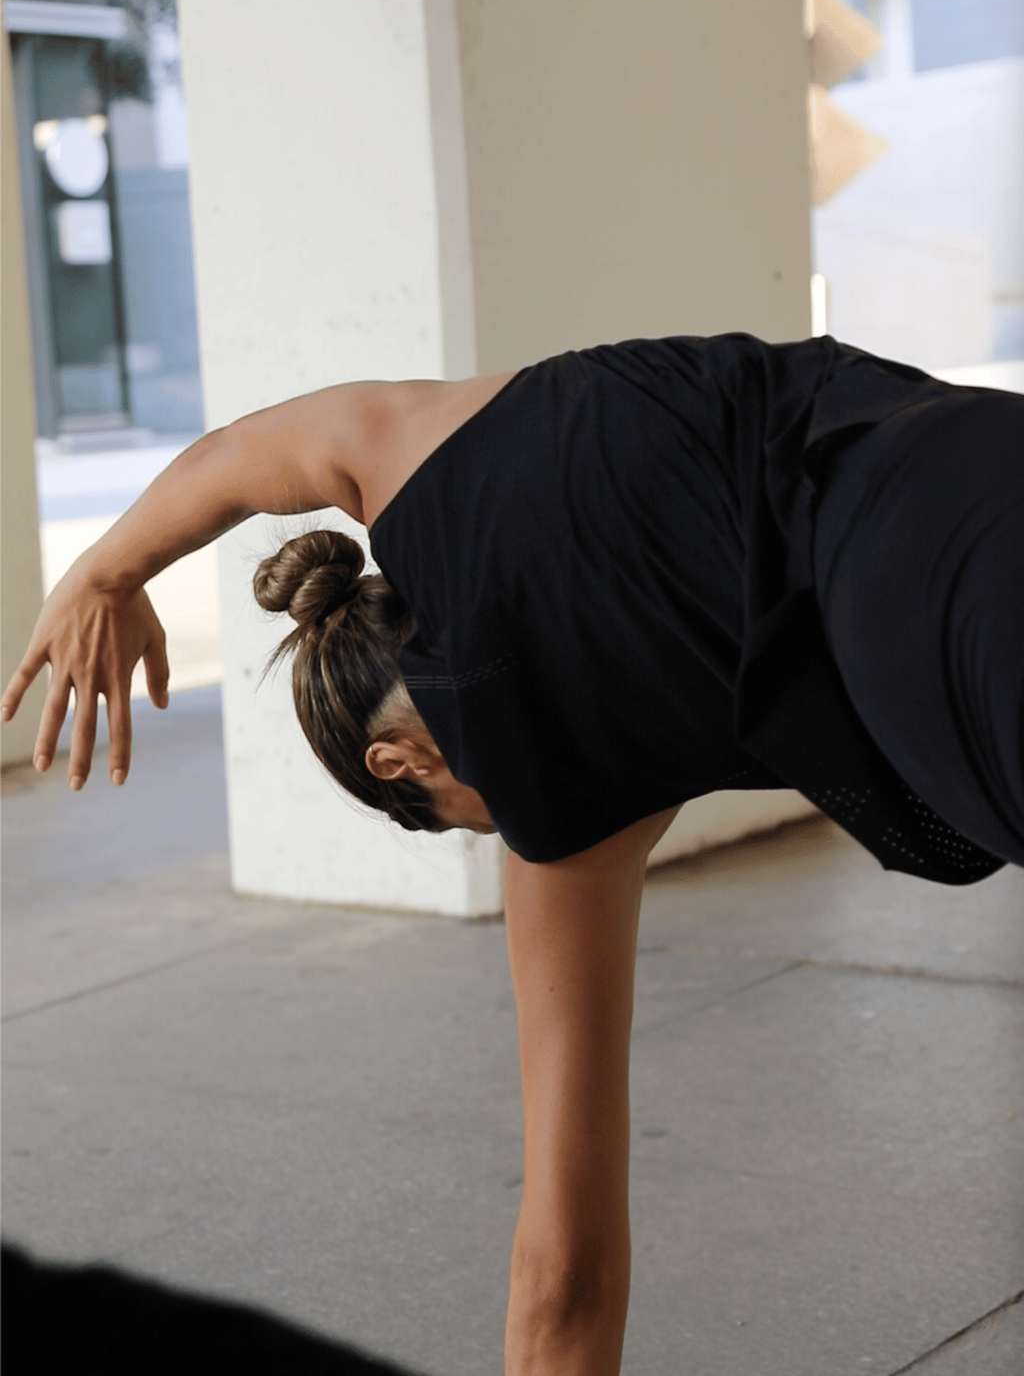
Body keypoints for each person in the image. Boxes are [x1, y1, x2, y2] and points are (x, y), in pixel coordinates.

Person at [4, 332, 1023, 1375]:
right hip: (971, 443)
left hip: (935, 608)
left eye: (456, 821)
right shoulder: (412, 453)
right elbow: (239, 452)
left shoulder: (556, 797)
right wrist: (106, 571)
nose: (502, 831)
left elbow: (563, 1269)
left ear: (396, 760)